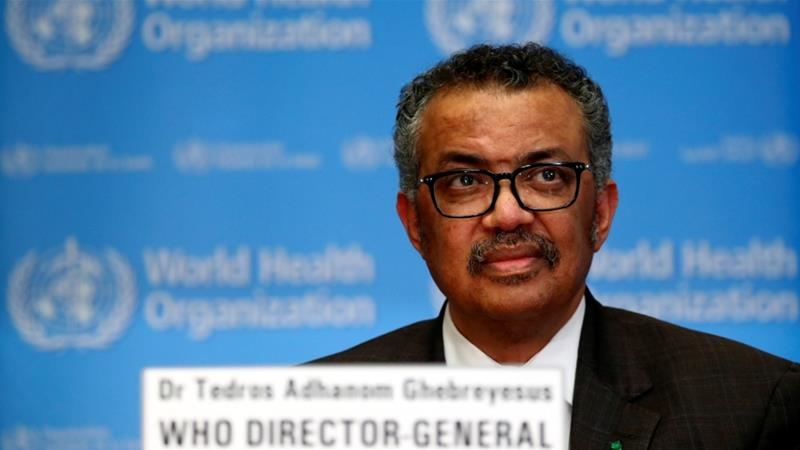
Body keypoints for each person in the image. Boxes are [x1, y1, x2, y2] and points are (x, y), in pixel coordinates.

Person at [316, 43, 799, 448]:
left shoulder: (752, 406)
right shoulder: (321, 417)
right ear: (415, 225)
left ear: (601, 213)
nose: (508, 215)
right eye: (465, 180)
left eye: (546, 176)